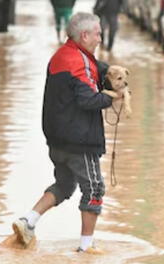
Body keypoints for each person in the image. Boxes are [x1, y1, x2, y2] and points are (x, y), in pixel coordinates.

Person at [11, 12, 119, 254]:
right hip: (79, 141)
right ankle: (85, 248)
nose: (101, 38)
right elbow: (88, 99)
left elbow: (93, 70)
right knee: (94, 190)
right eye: (98, 33)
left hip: (57, 140)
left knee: (65, 184)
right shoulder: (78, 62)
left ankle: (28, 220)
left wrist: (110, 71)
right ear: (84, 35)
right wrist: (113, 97)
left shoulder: (61, 55)